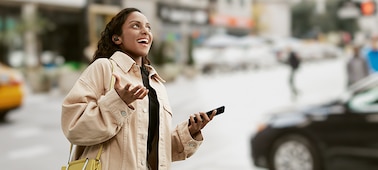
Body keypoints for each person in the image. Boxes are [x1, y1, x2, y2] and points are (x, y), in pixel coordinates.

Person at [61, 7, 216, 170]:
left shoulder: (156, 84)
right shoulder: (104, 68)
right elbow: (74, 128)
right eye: (136, 26)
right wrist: (119, 102)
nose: (145, 31)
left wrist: (190, 132)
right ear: (117, 38)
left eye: (148, 27)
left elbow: (153, 150)